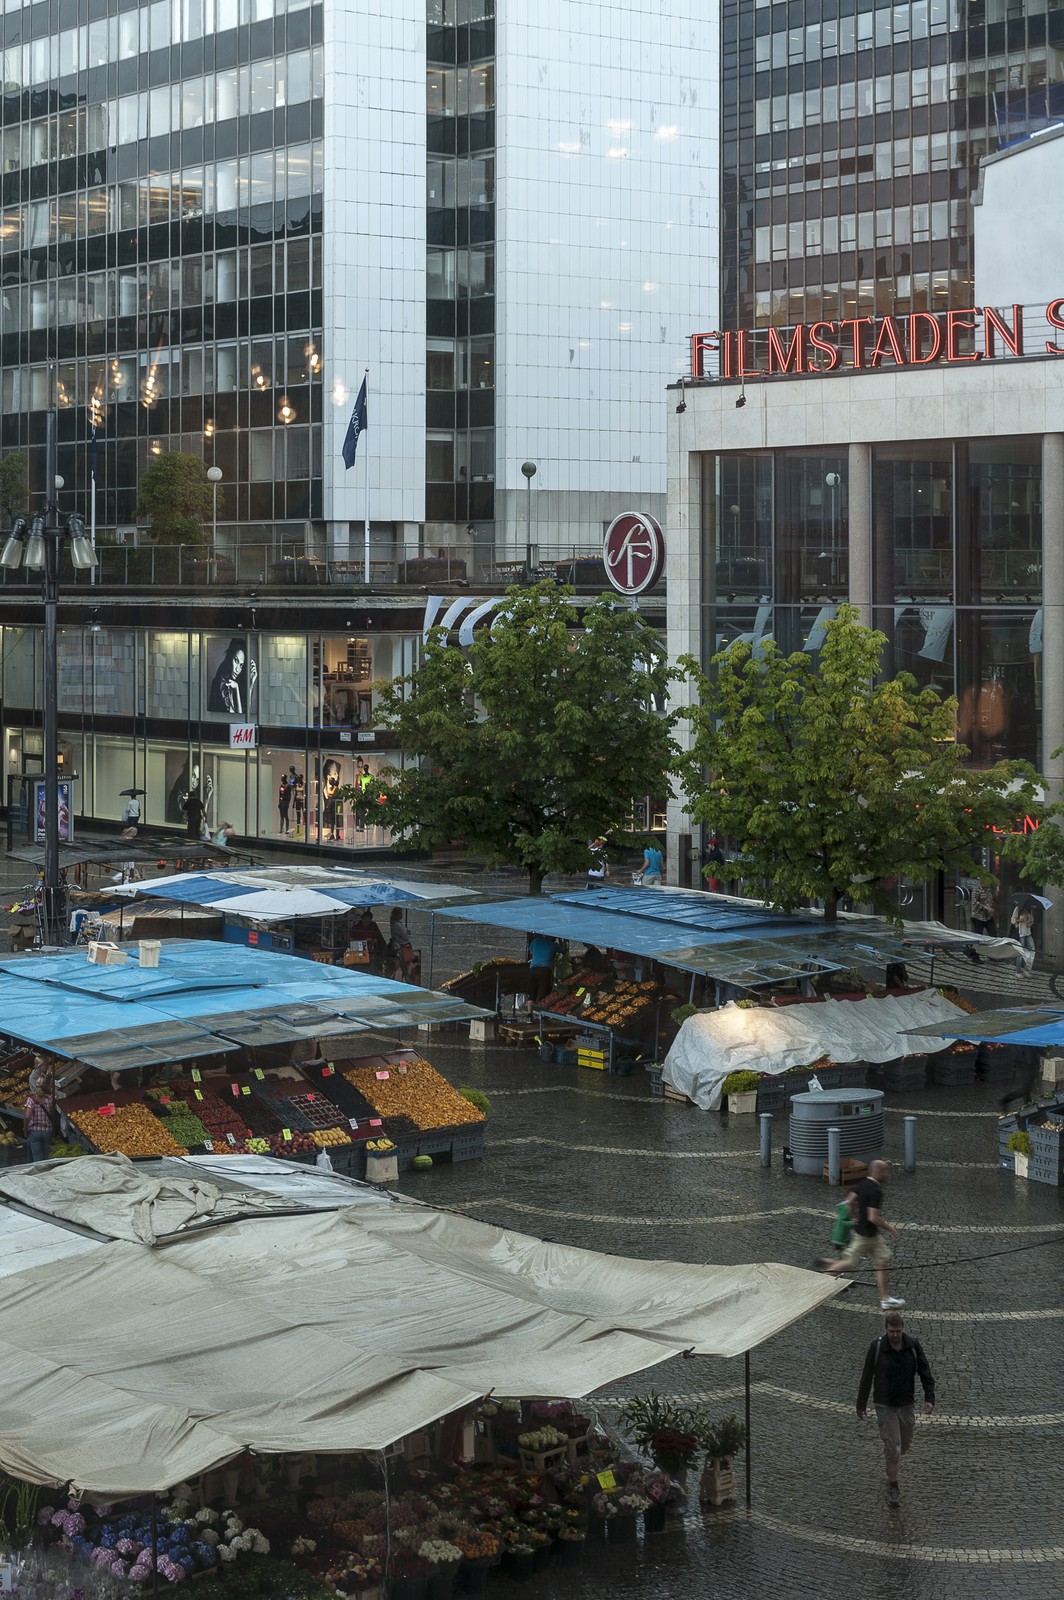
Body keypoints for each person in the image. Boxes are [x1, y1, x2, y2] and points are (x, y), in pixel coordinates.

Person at [856, 1311, 935, 1505]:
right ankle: (893, 1487)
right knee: (893, 1447)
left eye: (898, 1331)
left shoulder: (913, 1346)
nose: (895, 1335)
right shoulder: (877, 1347)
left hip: (906, 1404)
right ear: (886, 1329)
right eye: (892, 1331)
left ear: (903, 1329)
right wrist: (861, 1404)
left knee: (904, 1444)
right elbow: (867, 1376)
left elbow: (925, 1372)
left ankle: (892, 1458)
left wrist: (929, 1398)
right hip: (885, 1405)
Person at [815, 1158, 905, 1310]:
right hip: (865, 1235)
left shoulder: (863, 1184)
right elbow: (873, 1217)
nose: (887, 1174)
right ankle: (821, 1280)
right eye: (885, 1171)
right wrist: (890, 1228)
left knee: (882, 1261)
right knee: (849, 1263)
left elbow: (849, 1202)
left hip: (870, 1235)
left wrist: (855, 1217)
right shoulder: (876, 1191)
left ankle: (885, 1299)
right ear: (878, 1172)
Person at [208, 639, 257, 715]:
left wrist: (251, 684)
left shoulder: (237, 679)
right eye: (236, 661)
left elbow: (246, 713)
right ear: (230, 656)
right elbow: (239, 717)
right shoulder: (223, 681)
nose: (237, 669)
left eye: (241, 665)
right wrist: (236, 688)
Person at [23, 1066, 56, 1164]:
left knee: (37, 1161)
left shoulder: (32, 1099)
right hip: (48, 1131)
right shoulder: (51, 1098)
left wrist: (25, 1129)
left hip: (34, 1132)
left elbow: (27, 1116)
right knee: (47, 1159)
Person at [525, 932, 558, 1018]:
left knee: (531, 994)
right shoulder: (554, 945)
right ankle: (542, 1016)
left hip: (533, 970)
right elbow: (564, 953)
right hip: (545, 971)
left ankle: (529, 1015)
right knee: (544, 994)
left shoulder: (536, 941)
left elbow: (531, 951)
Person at [388, 907, 417, 979]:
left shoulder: (395, 923)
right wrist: (407, 932)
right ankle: (399, 979)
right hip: (400, 947)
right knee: (403, 966)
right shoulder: (396, 924)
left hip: (399, 946)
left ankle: (402, 979)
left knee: (406, 965)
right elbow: (406, 936)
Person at [1010, 903, 1035, 975]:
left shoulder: (1029, 910)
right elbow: (1013, 920)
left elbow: (1032, 920)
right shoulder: (1018, 908)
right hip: (1020, 933)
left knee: (1032, 950)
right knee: (1020, 952)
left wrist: (1029, 923)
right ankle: (1017, 971)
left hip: (1028, 932)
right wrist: (1021, 920)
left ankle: (1026, 969)